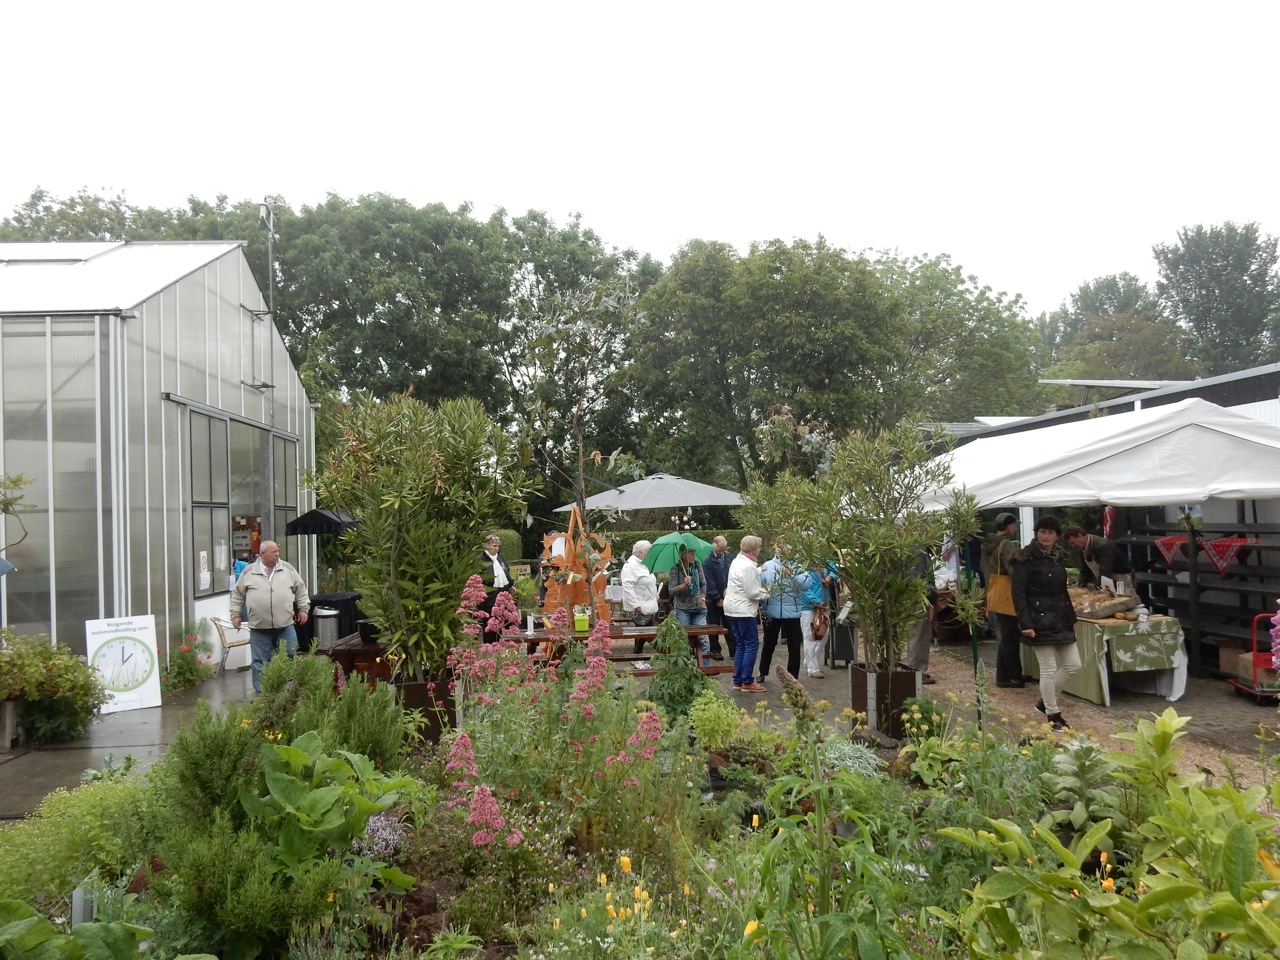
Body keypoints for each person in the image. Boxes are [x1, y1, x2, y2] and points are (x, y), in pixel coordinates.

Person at [1012, 514, 1080, 730]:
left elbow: (1063, 591)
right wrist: (1025, 623)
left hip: (1060, 618)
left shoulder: (1058, 557)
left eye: (1050, 532)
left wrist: (1072, 618)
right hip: (1037, 619)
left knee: (1073, 665)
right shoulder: (1024, 558)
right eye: (1042, 531)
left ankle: (1045, 700)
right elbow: (1018, 593)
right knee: (1048, 669)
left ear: (1057, 536)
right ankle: (1053, 714)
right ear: (1036, 533)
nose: (1046, 536)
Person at [230, 539, 310, 694]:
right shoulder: (249, 571)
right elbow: (237, 595)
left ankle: (289, 691)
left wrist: (303, 608)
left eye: (277, 552)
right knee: (260, 663)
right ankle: (262, 696)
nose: (277, 555)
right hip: (259, 627)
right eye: (273, 552)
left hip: (285, 625)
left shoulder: (287, 569)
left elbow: (300, 589)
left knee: (291, 657)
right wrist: (235, 614)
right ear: (262, 554)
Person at [981, 512, 1025, 688]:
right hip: (1006, 594)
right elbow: (1014, 569)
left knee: (1006, 634)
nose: (1015, 528)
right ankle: (1011, 676)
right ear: (1008, 526)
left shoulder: (987, 543)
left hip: (993, 590)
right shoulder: (1005, 545)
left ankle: (1006, 674)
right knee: (1010, 635)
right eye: (1014, 525)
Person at [723, 534, 770, 692]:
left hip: (732, 608)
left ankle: (738, 680)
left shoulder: (737, 561)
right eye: (759, 547)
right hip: (743, 610)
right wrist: (769, 592)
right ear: (755, 549)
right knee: (751, 644)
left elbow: (743, 577)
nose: (760, 549)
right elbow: (752, 593)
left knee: (741, 644)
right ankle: (747, 681)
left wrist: (759, 569)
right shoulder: (748, 566)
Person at [759, 547, 809, 682]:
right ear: (775, 548)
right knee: (768, 644)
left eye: (786, 547)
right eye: (779, 547)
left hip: (792, 613)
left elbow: (807, 584)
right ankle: (762, 672)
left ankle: (792, 677)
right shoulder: (767, 566)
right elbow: (758, 584)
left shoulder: (798, 566)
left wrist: (792, 573)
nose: (781, 550)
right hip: (771, 612)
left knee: (794, 646)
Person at [1062, 525, 1134, 596]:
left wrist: (1096, 589)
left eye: (1072, 542)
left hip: (1120, 579)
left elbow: (1105, 571)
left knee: (1124, 600)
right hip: (1106, 581)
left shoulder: (1103, 545)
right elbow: (1085, 570)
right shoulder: (1082, 547)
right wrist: (1080, 587)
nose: (1072, 546)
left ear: (1080, 535)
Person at [669, 545, 709, 662]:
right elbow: (671, 591)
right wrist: (683, 585)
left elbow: (703, 583)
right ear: (682, 555)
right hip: (683, 610)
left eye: (694, 552)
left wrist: (703, 600)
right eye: (690, 553)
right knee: (683, 639)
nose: (693, 555)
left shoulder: (697, 565)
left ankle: (705, 668)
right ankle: (686, 668)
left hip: (698, 608)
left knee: (703, 638)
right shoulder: (675, 569)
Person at [621, 540, 660, 653]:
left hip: (648, 603)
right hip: (638, 606)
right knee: (644, 632)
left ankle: (637, 656)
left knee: (643, 632)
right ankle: (638, 656)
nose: (650, 554)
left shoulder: (644, 563)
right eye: (649, 551)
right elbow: (627, 585)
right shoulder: (631, 565)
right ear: (641, 552)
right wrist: (635, 604)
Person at [476, 534, 512, 645]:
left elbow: (506, 572)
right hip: (490, 594)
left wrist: (512, 584)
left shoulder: (500, 558)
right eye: (494, 546)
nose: (496, 548)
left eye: (498, 546)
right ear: (487, 545)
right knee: (490, 620)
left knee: (502, 620)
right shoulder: (481, 560)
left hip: (502, 592)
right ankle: (489, 645)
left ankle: (500, 644)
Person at [799, 562, 832, 679]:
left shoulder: (823, 559)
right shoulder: (802, 564)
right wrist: (817, 601)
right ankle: (812, 668)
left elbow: (833, 566)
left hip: (824, 603)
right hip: (808, 605)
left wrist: (831, 576)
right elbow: (802, 587)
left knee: (824, 635)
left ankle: (810, 660)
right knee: (810, 636)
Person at [702, 536, 733, 660]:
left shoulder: (729, 557)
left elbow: (732, 574)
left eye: (723, 550)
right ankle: (715, 650)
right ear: (713, 545)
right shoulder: (706, 559)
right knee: (713, 625)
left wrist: (729, 590)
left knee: (729, 624)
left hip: (728, 596)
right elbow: (708, 580)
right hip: (712, 598)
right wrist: (717, 597)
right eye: (720, 550)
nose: (722, 553)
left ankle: (733, 649)